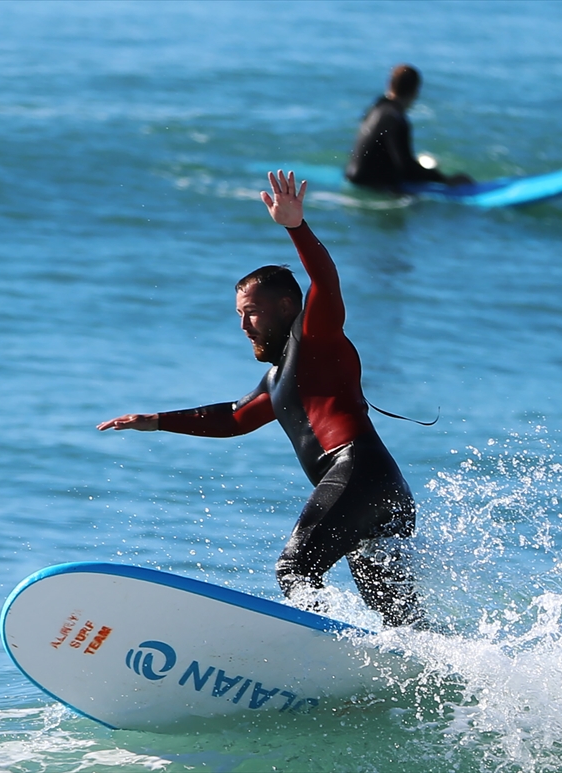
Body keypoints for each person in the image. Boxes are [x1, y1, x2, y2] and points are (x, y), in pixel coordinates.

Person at [98, 171, 426, 629]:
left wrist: (296, 226)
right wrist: (155, 420)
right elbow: (234, 419)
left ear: (287, 308)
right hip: (381, 486)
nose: (244, 326)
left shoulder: (315, 337)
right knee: (398, 617)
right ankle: (436, 668)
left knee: (295, 569)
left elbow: (325, 282)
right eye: (239, 315)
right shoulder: (278, 379)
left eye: (251, 313)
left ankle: (318, 652)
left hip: (357, 471)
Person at [345, 64, 472, 190]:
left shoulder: (375, 108)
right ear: (415, 91)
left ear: (390, 85)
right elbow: (406, 169)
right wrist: (444, 179)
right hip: (373, 184)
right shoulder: (395, 119)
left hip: (352, 176)